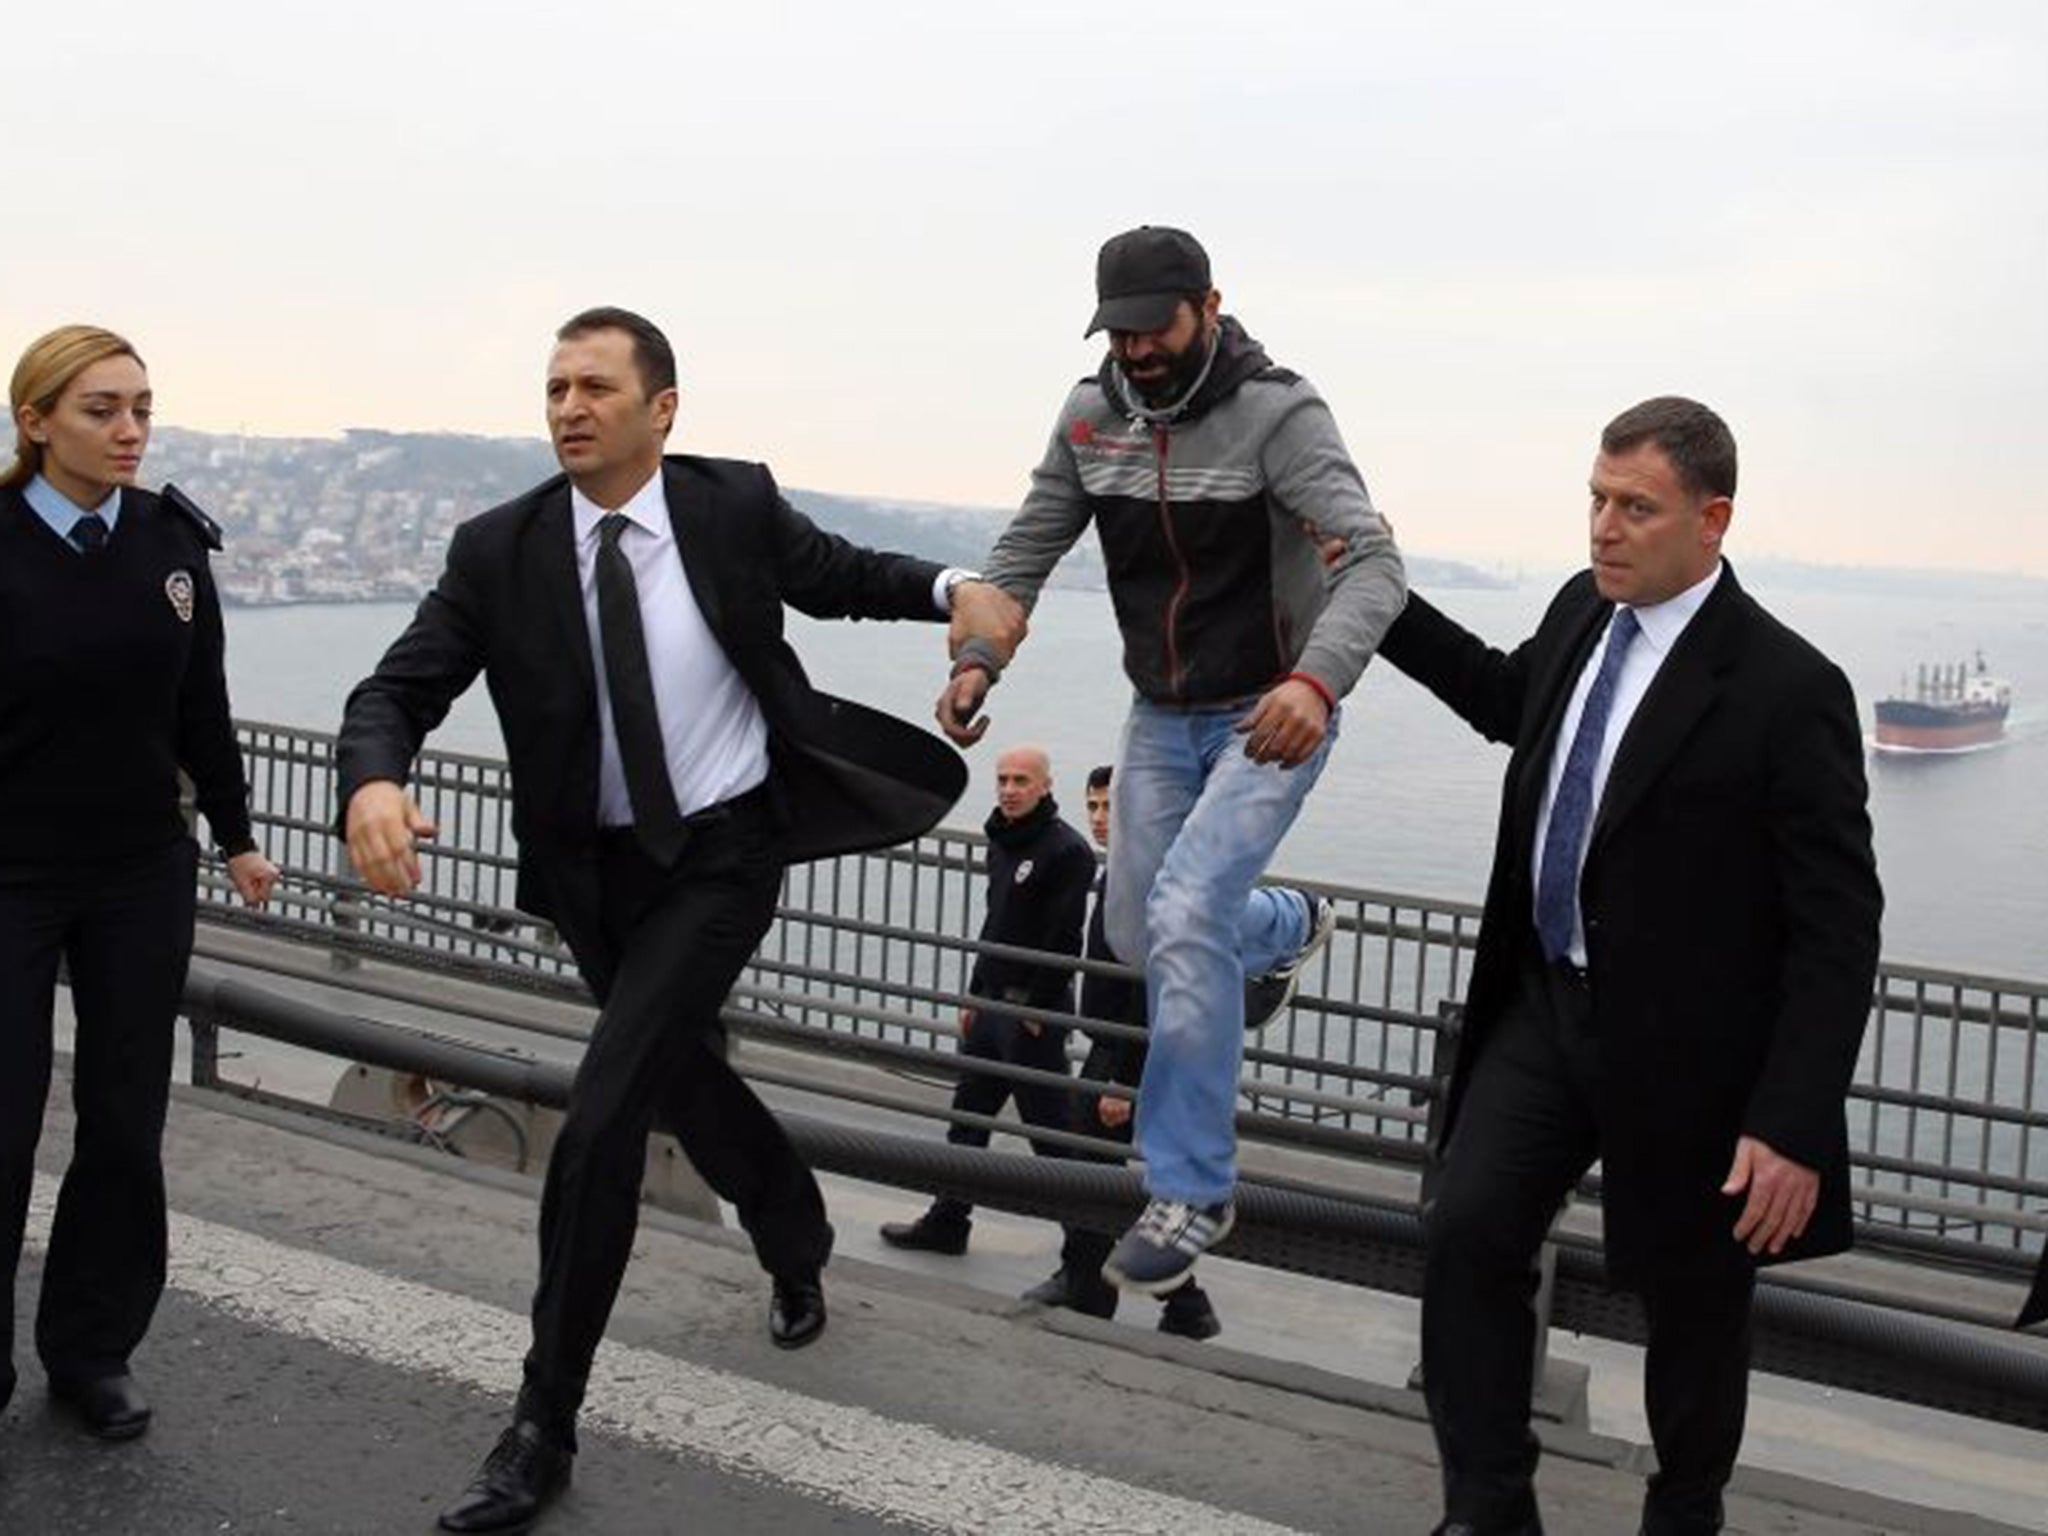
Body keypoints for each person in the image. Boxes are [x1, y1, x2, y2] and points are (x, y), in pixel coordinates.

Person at [335, 307, 1022, 1535]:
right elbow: (398, 686)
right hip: (595, 879)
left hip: (722, 852)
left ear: (661, 410)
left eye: (594, 386)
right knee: (676, 1075)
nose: (567, 408)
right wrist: (373, 777)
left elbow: (844, 577)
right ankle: (794, 1224)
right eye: (553, 387)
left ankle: (540, 1424)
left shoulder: (728, 506)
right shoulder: (498, 550)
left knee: (603, 1116)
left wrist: (952, 587)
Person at [1376, 397, 1882, 1536]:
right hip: (1547, 1009)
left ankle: (1682, 1510)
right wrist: (1378, 600)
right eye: (1595, 501)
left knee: (1691, 1311)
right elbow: (1506, 700)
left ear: (1711, 520)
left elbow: (1837, 927)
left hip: (1700, 1060)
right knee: (1464, 1234)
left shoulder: (1785, 690)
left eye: (1633, 508)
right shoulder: (1577, 612)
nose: (1603, 528)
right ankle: (1488, 1507)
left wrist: (1791, 1122)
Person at [938, 226, 1401, 1295]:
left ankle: (1191, 1185)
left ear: (1208, 305)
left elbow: (1373, 560)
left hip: (1272, 707)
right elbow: (1026, 549)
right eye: (1121, 330)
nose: (1138, 349)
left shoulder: (1278, 413)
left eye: (1157, 325)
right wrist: (976, 661)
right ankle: (1283, 929)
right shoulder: (1090, 418)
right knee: (1141, 931)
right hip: (1160, 711)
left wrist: (1313, 681)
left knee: (1189, 906)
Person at [0, 324, 277, 1441]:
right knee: (3, 1121)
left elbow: (199, 705)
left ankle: (92, 1349)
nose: (128, 432)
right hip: (8, 872)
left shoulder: (170, 544)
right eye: (101, 410)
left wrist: (239, 834)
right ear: (36, 422)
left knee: (125, 1123)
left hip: (137, 875)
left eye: (141, 410)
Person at [1022, 765, 1221, 1339]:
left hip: (1125, 1053)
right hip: (1114, 1046)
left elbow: (1146, 987)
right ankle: (1155, 1296)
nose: (1101, 818)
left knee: (1093, 1174)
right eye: (1094, 807)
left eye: (1111, 807)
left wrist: (1123, 1079)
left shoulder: (1146, 878)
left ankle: (1133, 1292)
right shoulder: (1128, 870)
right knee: (1097, 1175)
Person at [880, 744, 1094, 1254]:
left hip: (1031, 1014)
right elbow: (994, 924)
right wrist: (976, 993)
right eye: (1003, 779)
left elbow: (1066, 938)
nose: (1009, 789)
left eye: (1022, 780)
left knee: (1052, 1135)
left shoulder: (1068, 851)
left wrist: (1038, 1008)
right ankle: (948, 1221)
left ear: (1045, 786)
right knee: (968, 1119)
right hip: (992, 1006)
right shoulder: (1001, 841)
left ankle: (1087, 1245)